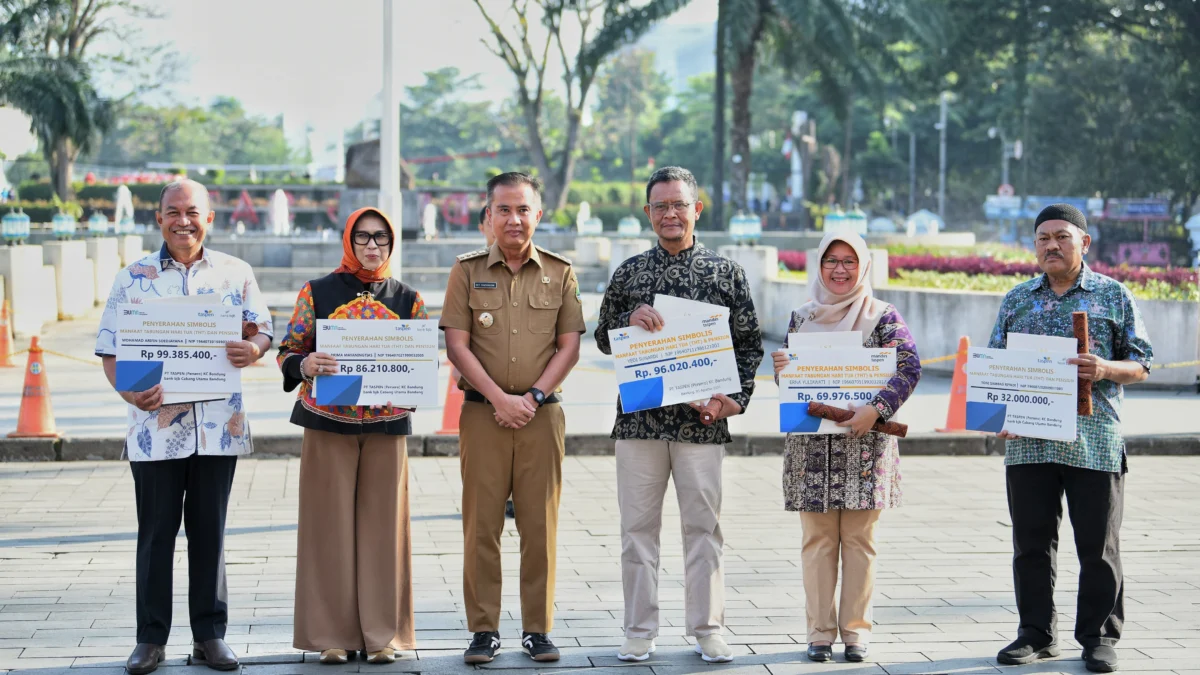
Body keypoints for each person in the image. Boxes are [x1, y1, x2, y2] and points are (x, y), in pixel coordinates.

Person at [94, 180, 273, 675]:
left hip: (219, 426)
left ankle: (210, 637)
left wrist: (253, 349)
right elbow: (111, 352)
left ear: (209, 218)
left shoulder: (235, 274)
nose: (183, 221)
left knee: (209, 532)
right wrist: (131, 392)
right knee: (155, 533)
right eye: (173, 212)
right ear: (158, 218)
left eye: (192, 212)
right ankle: (150, 640)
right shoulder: (133, 278)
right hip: (155, 429)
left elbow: (262, 329)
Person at [594, 166, 763, 664]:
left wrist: (733, 400)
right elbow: (603, 336)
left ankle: (708, 627)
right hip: (640, 420)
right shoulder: (628, 273)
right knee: (637, 529)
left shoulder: (725, 273)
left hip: (702, 424)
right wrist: (626, 319)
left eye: (679, 204)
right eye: (660, 206)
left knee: (704, 528)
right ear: (648, 214)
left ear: (697, 209)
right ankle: (639, 629)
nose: (670, 213)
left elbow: (749, 343)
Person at [990, 204, 1152, 673]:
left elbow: (1141, 364)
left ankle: (1099, 637)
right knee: (1031, 544)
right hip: (1029, 442)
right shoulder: (1017, 299)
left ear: (1084, 242)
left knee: (1099, 547)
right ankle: (1035, 633)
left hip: (1093, 441)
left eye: (1062, 236)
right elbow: (995, 367)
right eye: (1043, 238)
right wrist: (997, 410)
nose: (1051, 245)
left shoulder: (1112, 296)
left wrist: (1103, 368)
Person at [439, 172, 586, 664]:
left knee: (539, 526)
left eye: (523, 210)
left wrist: (534, 396)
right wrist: (500, 398)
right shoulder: (466, 271)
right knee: (481, 525)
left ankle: (537, 629)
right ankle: (483, 630)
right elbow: (457, 345)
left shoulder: (561, 272)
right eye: (503, 210)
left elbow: (570, 346)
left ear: (538, 215)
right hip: (484, 415)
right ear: (488, 216)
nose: (514, 219)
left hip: (542, 417)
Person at [276, 207, 425, 665]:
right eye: (362, 237)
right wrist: (305, 365)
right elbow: (289, 349)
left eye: (381, 237)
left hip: (385, 426)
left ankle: (382, 635)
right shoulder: (318, 292)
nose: (372, 246)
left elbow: (419, 364)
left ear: (392, 242)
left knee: (385, 530)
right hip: (327, 423)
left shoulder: (408, 299)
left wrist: (414, 379)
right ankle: (331, 635)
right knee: (328, 529)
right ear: (348, 239)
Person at [769, 231, 921, 663]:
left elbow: (909, 366)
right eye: (831, 261)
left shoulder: (882, 315)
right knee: (816, 541)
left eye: (849, 261)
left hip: (864, 446)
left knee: (859, 540)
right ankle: (819, 632)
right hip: (812, 449)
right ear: (818, 266)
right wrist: (783, 369)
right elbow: (796, 383)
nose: (839, 269)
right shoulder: (802, 316)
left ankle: (855, 632)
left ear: (864, 266)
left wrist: (875, 409)